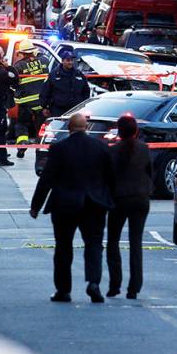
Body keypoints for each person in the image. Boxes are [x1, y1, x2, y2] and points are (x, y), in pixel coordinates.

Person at [30, 113, 114, 304]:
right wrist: (110, 200)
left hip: (64, 204)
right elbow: (111, 177)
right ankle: (94, 283)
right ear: (86, 127)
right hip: (94, 204)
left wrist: (36, 205)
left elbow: (47, 179)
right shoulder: (100, 146)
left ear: (69, 128)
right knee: (94, 245)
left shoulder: (59, 148)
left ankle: (63, 289)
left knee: (63, 247)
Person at [106, 115, 153, 300]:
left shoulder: (113, 151)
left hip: (119, 199)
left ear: (119, 131)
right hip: (140, 199)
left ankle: (114, 284)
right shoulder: (144, 149)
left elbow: (108, 177)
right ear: (136, 131)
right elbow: (150, 172)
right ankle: (134, 287)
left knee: (113, 241)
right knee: (136, 242)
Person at [12, 40, 49, 158]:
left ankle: (22, 143)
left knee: (22, 123)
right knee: (40, 125)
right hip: (41, 101)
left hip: (25, 101)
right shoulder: (44, 61)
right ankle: (40, 148)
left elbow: (14, 83)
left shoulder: (18, 66)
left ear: (22, 53)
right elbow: (44, 57)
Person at [40, 50, 91, 118]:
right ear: (62, 61)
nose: (70, 62)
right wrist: (45, 107)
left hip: (76, 110)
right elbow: (45, 92)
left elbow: (86, 91)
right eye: (68, 60)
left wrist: (83, 105)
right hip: (58, 111)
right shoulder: (54, 75)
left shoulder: (78, 74)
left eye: (71, 60)